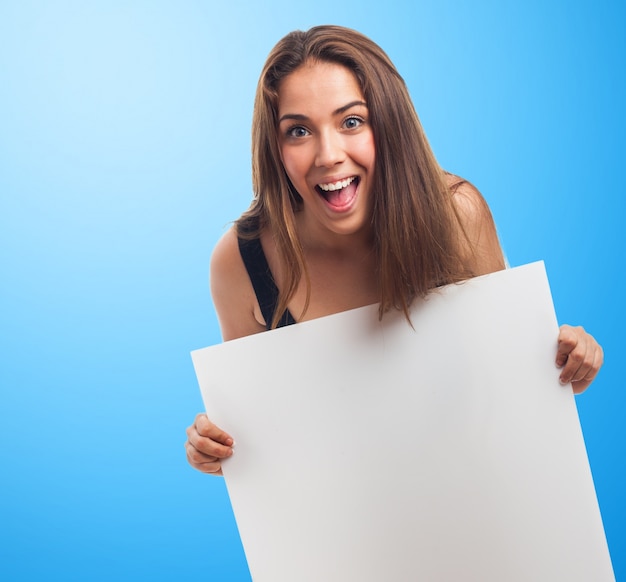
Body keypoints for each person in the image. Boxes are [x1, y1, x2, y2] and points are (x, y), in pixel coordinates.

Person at [184, 25, 604, 476]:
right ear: (275, 147)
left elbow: (511, 385)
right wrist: (214, 448)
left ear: (389, 124)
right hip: (342, 529)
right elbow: (257, 438)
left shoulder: (456, 215)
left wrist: (565, 361)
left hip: (474, 500)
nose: (329, 155)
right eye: (299, 130)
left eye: (351, 122)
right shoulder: (242, 263)